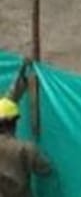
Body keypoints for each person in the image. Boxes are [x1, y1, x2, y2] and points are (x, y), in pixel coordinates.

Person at [0, 60, 52, 197]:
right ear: (15, 122)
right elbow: (45, 169)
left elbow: (9, 100)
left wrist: (20, 76)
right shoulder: (25, 149)